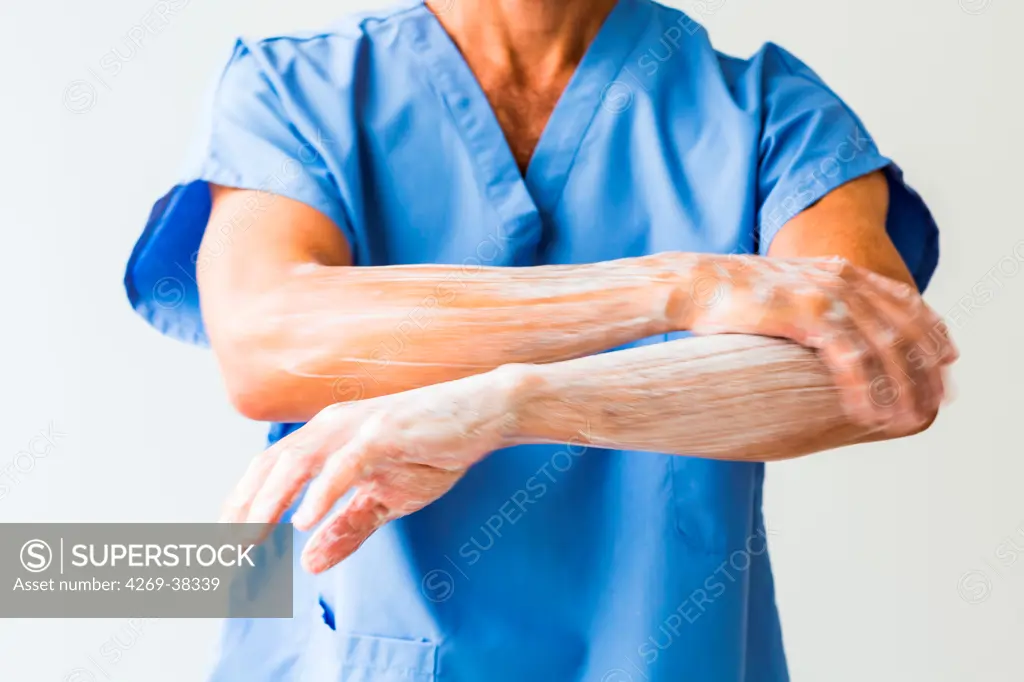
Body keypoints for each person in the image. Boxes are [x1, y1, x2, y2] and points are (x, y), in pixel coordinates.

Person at [123, 0, 957, 680]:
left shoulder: (771, 114)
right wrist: (680, 286)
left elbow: (873, 373)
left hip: (669, 652)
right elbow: (268, 339)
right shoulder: (297, 87)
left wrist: (509, 404)